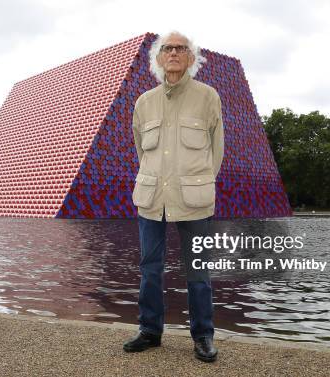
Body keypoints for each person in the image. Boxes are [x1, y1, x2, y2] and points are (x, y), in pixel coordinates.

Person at [123, 31, 224, 362]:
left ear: (192, 58)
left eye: (182, 49)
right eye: (168, 48)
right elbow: (141, 151)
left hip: (193, 200)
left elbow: (216, 150)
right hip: (152, 198)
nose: (175, 53)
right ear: (158, 58)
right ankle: (150, 331)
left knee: (197, 270)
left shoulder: (208, 97)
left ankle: (203, 336)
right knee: (150, 268)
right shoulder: (143, 102)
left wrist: (201, 183)